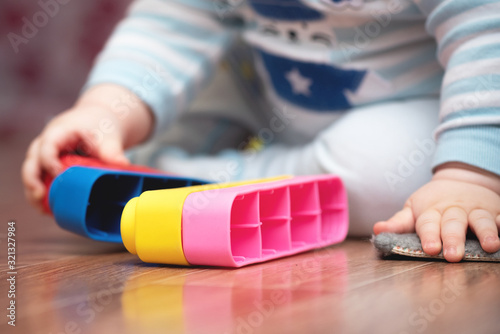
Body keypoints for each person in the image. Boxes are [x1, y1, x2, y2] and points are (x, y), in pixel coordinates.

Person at [22, 0, 500, 262]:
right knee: (163, 100)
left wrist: (469, 176)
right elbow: (172, 26)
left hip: (410, 110)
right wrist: (105, 110)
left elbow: (486, 35)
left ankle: (206, 184)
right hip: (263, 90)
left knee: (386, 180)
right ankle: (154, 166)